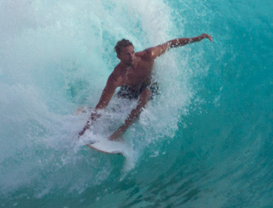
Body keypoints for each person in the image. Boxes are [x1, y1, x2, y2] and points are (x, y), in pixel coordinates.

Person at [78, 34, 213, 141]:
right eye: (127, 54)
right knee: (112, 110)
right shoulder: (116, 78)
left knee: (146, 95)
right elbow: (102, 103)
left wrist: (196, 39)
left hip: (149, 85)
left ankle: (121, 131)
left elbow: (171, 44)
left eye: (132, 52)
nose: (132, 56)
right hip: (130, 89)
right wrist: (86, 129)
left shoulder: (149, 55)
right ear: (118, 56)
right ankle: (87, 111)